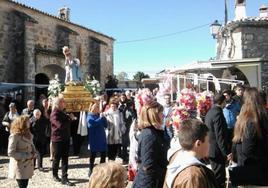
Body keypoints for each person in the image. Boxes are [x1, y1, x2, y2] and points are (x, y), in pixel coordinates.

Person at [163, 119, 219, 188]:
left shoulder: (177, 159)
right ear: (198, 143)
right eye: (208, 141)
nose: (210, 144)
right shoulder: (193, 175)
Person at [232, 87, 268, 186]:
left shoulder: (242, 119)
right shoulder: (252, 121)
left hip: (244, 171)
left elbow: (235, 146)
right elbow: (248, 150)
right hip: (255, 174)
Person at [133, 100, 168, 188]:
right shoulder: (149, 135)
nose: (163, 115)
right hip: (149, 183)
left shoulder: (153, 132)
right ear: (154, 115)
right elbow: (148, 166)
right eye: (161, 113)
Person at [205, 93, 230, 188]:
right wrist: (226, 152)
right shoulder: (217, 113)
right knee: (219, 177)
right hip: (216, 150)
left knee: (217, 175)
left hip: (212, 148)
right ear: (222, 102)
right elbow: (220, 135)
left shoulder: (210, 111)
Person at [50, 97, 75, 186]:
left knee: (65, 159)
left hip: (65, 138)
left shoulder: (62, 112)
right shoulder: (54, 113)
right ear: (59, 103)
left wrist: (69, 118)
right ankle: (55, 174)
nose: (65, 103)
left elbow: (65, 122)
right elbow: (60, 126)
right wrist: (69, 119)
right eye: (63, 102)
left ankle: (64, 177)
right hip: (57, 139)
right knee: (56, 158)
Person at [8, 115, 36, 188]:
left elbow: (31, 145)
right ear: (22, 123)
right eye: (27, 121)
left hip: (28, 164)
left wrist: (34, 152)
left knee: (25, 185)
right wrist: (27, 156)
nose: (29, 122)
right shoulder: (15, 136)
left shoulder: (28, 133)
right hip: (20, 165)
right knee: (22, 185)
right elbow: (11, 152)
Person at [87, 102, 107, 176]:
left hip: (101, 137)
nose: (96, 109)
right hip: (94, 138)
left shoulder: (99, 115)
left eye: (97, 107)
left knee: (103, 154)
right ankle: (91, 169)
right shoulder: (89, 116)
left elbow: (105, 125)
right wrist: (100, 118)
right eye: (95, 107)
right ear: (91, 108)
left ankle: (102, 170)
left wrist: (104, 118)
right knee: (93, 155)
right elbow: (92, 124)